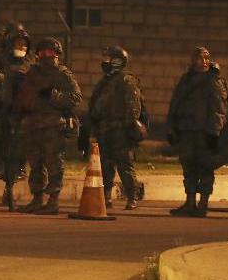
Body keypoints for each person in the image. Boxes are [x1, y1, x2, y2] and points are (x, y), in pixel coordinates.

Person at [14, 37, 81, 215]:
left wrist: (53, 94)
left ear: (57, 54)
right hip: (33, 124)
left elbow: (75, 98)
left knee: (54, 163)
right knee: (35, 164)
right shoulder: (32, 72)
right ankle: (37, 199)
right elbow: (23, 98)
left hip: (53, 125)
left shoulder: (62, 74)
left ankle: (52, 201)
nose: (46, 55)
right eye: (43, 52)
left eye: (50, 52)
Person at [167, 46, 228, 217]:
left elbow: (219, 109)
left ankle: (203, 203)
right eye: (200, 58)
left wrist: (214, 132)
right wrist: (172, 127)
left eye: (206, 58)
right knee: (188, 167)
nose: (203, 61)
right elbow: (175, 104)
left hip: (204, 132)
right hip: (186, 131)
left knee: (205, 167)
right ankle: (190, 202)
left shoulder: (213, 81)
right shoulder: (186, 80)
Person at [88, 45, 144, 210]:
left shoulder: (126, 80)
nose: (105, 62)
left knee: (124, 164)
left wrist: (128, 127)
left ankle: (132, 196)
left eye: (108, 59)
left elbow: (133, 107)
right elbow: (95, 106)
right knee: (105, 165)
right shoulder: (103, 82)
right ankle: (105, 196)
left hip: (121, 130)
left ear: (118, 61)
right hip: (104, 129)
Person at [0, 26, 35, 209]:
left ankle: (10, 187)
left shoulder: (31, 62)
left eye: (24, 44)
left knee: (17, 153)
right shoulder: (1, 60)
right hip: (3, 112)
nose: (21, 46)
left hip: (22, 114)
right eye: (18, 43)